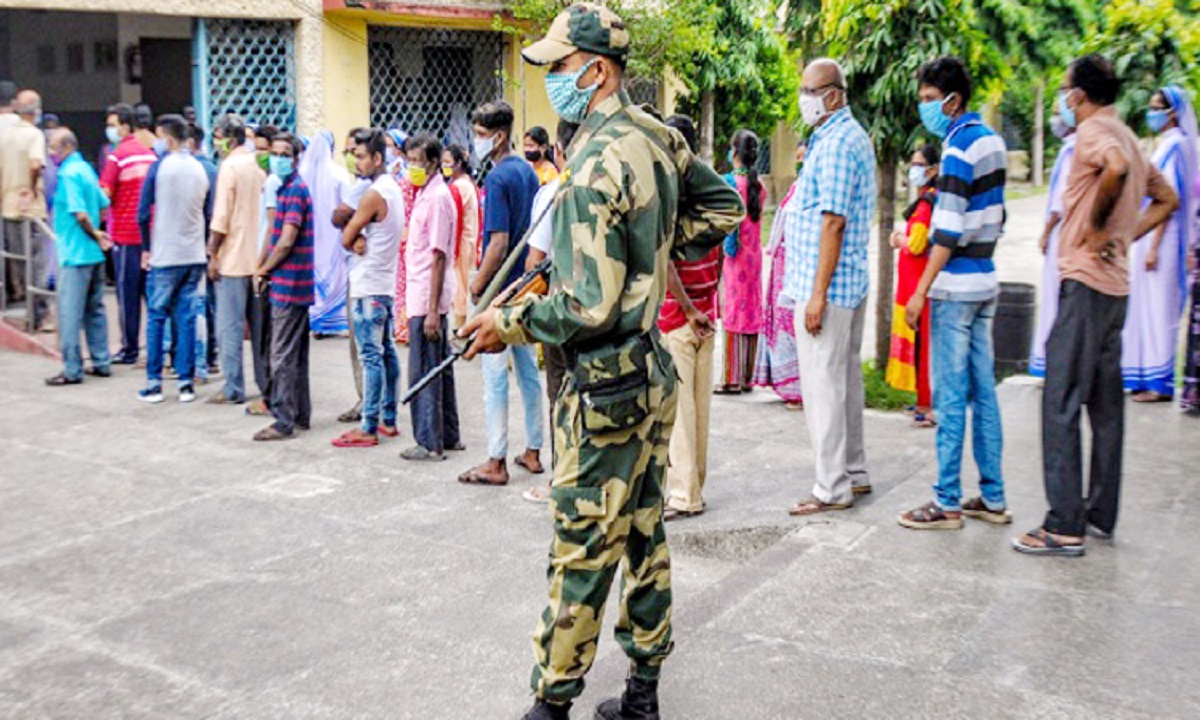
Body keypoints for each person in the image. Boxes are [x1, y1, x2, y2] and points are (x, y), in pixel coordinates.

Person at [461, 6, 743, 718]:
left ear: (596, 71)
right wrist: (653, 249)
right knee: (644, 535)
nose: (551, 79)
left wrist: (506, 322)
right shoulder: (655, 134)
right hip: (650, 371)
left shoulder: (592, 167)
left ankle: (550, 705)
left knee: (582, 550)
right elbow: (723, 209)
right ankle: (643, 694)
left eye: (559, 67)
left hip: (604, 389)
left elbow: (586, 306)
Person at [1014, 55, 1178, 556]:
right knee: (1106, 406)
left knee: (1060, 398)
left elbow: (1117, 170)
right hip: (1115, 289)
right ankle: (1100, 512)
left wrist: (1099, 227)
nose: (1064, 99)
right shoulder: (1127, 134)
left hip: (1085, 284)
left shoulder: (1094, 133)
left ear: (1079, 94)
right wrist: (1125, 236)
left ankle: (1065, 524)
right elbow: (1166, 198)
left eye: (1066, 89)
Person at [898, 57, 1009, 530]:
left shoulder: (959, 146)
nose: (925, 108)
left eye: (929, 99)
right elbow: (997, 216)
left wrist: (920, 292)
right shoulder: (993, 141)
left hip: (955, 288)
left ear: (952, 100)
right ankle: (993, 496)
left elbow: (946, 231)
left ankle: (946, 501)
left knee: (949, 395)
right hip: (986, 279)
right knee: (983, 394)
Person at [784, 59, 876, 518]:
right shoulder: (840, 137)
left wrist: (817, 295)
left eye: (810, 90)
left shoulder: (838, 143)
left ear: (834, 94)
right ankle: (853, 471)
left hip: (830, 287)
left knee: (823, 387)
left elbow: (833, 222)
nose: (804, 99)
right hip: (846, 283)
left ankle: (831, 486)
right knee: (844, 382)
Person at [457, 100, 544, 487]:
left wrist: (478, 288)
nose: (476, 141)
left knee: (494, 377)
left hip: (499, 291)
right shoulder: (526, 171)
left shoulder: (496, 179)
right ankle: (534, 449)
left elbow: (498, 243)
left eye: (480, 134)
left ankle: (496, 459)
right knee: (528, 372)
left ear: (499, 136)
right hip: (526, 286)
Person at [660, 114, 723, 521]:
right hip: (705, 309)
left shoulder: (670, 194)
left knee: (680, 412)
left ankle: (683, 495)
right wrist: (706, 300)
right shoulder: (710, 191)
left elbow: (665, 258)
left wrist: (686, 307)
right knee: (699, 409)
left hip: (678, 313)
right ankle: (694, 483)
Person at [1121, 86, 1198, 402]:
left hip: (1164, 240)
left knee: (1160, 310)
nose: (1151, 113)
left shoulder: (1178, 146)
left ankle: (1160, 382)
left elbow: (1170, 198)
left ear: (1173, 113)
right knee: (1144, 306)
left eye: (1157, 108)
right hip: (1150, 237)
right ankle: (1143, 375)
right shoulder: (1166, 145)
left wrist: (1153, 246)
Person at [332, 128, 404, 449]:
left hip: (367, 285)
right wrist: (357, 233)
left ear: (377, 158)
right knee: (386, 352)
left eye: (360, 156)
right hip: (384, 283)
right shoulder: (393, 189)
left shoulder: (374, 194)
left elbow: (347, 235)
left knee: (371, 356)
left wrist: (355, 235)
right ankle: (388, 418)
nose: (356, 162)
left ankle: (369, 425)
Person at [521, 119, 578, 505]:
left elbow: (535, 260)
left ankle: (564, 479)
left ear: (558, 151)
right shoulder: (612, 184)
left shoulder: (553, 192)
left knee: (560, 394)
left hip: (561, 308)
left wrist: (530, 310)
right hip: (604, 312)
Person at [136, 114, 211, 404]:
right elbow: (208, 212)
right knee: (187, 318)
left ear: (167, 139)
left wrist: (146, 248)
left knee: (157, 317)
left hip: (165, 255)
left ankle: (154, 383)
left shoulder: (159, 168)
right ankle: (185, 384)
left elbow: (143, 212)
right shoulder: (199, 168)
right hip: (193, 254)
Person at [399, 132, 463, 460]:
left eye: (417, 161)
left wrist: (433, 310)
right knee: (439, 367)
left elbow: (438, 255)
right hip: (423, 293)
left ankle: (428, 441)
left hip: (428, 296)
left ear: (434, 163)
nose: (412, 167)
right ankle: (448, 434)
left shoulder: (437, 198)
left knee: (424, 369)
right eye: (409, 161)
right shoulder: (426, 193)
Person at [253, 132, 315, 441]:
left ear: (296, 158)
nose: (277, 159)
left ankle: (283, 420)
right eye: (274, 153)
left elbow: (286, 240)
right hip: (295, 283)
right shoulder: (287, 189)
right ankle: (300, 413)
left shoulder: (294, 192)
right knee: (295, 353)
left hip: (289, 285)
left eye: (284, 154)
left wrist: (264, 268)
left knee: (281, 355)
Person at [43, 128, 112, 386]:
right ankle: (101, 361)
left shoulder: (68, 174)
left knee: (69, 314)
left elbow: (79, 213)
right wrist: (99, 232)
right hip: (93, 254)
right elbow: (103, 204)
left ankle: (72, 369)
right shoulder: (86, 169)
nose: (50, 153)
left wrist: (93, 232)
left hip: (74, 253)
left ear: (66, 147)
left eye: (53, 147)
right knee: (95, 310)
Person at [207, 114, 266, 405]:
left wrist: (212, 253)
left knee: (229, 327)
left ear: (229, 140)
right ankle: (266, 385)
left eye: (218, 138)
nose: (216, 143)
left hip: (233, 258)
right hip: (259, 259)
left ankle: (233, 387)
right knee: (260, 330)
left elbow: (221, 217)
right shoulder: (259, 165)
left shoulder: (229, 167)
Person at [886, 144, 940, 427]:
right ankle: (922, 400)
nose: (913, 169)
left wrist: (898, 240)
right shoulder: (927, 198)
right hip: (914, 283)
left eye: (919, 164)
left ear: (933, 169)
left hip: (918, 286)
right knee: (919, 344)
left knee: (922, 346)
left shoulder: (928, 201)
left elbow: (918, 244)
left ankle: (926, 406)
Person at [101, 103, 156, 364]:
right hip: (151, 237)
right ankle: (158, 347)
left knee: (127, 296)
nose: (109, 130)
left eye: (112, 125)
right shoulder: (149, 155)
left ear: (125, 127)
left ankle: (130, 349)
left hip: (125, 235)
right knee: (152, 297)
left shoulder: (117, 157)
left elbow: (105, 194)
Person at [715, 129, 766, 394]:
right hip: (754, 258)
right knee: (751, 312)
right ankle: (747, 376)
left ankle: (731, 378)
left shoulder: (729, 184)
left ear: (734, 151)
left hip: (735, 258)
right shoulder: (759, 186)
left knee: (733, 313)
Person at [1030, 112, 1077, 379]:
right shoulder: (1072, 147)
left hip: (1063, 233)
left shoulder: (1073, 149)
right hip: (1069, 232)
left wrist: (1046, 232)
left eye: (1059, 113)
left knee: (1056, 297)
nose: (1054, 118)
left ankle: (1056, 364)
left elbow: (1060, 201)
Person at [752, 181, 803, 409]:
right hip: (783, 266)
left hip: (795, 268)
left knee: (791, 325)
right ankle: (789, 386)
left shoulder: (809, 190)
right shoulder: (797, 188)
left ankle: (798, 389)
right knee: (783, 324)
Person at [0, 89, 48, 328]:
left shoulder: (6, 137)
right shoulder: (34, 135)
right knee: (37, 262)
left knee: (20, 261)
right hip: (30, 208)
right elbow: (35, 164)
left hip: (8, 206)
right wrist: (30, 188)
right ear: (36, 110)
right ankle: (38, 314)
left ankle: (28, 311)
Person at [332, 127, 370, 424]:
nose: (350, 158)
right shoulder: (359, 183)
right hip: (359, 270)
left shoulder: (363, 187)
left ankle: (368, 402)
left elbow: (338, 216)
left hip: (363, 275)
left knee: (363, 345)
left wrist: (349, 227)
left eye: (354, 153)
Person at [188, 122, 221, 377]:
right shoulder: (213, 169)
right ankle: (211, 354)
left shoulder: (195, 170)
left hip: (198, 243)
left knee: (201, 303)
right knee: (209, 302)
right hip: (208, 242)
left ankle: (204, 357)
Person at [442, 144, 480, 329]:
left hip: (461, 242)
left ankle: (460, 327)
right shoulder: (466, 183)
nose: (444, 165)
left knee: (459, 286)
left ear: (458, 163)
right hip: (468, 239)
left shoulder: (459, 187)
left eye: (448, 161)